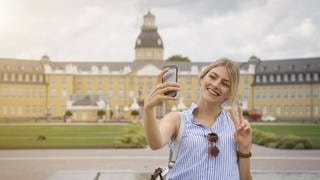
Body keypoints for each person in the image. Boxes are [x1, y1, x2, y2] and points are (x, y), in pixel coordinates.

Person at [143, 58, 252, 180]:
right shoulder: (177, 120)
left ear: (230, 93)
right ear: (202, 79)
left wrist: (244, 149)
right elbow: (155, 143)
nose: (216, 85)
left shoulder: (236, 126)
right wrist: (148, 109)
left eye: (225, 83)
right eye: (212, 77)